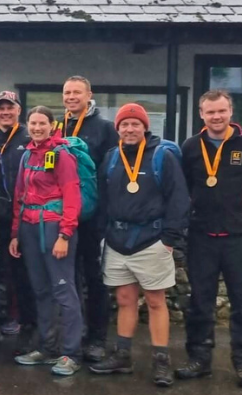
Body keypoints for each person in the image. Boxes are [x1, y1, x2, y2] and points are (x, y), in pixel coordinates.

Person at [89, 103, 188, 386]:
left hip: (152, 240)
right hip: (118, 241)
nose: (129, 129)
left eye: (135, 124)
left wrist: (169, 240)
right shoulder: (110, 158)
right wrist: (102, 235)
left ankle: (161, 361)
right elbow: (103, 200)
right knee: (124, 300)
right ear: (117, 128)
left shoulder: (162, 157)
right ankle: (122, 356)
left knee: (156, 302)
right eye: (124, 124)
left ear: (145, 127)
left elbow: (178, 199)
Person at [9, 105, 84, 376]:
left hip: (53, 228)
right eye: (33, 123)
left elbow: (72, 195)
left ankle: (71, 352)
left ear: (52, 125)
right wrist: (16, 234)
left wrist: (65, 234)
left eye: (42, 123)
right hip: (29, 228)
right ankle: (47, 347)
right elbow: (20, 194)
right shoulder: (27, 154)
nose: (37, 127)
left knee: (64, 290)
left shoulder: (60, 154)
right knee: (40, 290)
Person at [177, 90, 242, 386]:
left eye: (222, 111)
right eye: (210, 112)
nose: (216, 117)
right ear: (201, 114)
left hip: (238, 238)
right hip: (202, 236)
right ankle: (200, 359)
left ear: (231, 111)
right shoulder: (191, 147)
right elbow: (184, 189)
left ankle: (240, 362)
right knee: (200, 302)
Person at [55, 75, 118, 362]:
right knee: (68, 278)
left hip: (93, 219)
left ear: (89, 94)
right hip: (64, 217)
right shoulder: (57, 127)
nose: (71, 97)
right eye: (67, 92)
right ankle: (73, 333)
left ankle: (97, 338)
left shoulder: (105, 129)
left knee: (95, 279)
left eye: (76, 92)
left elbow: (113, 173)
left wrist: (105, 213)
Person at [0, 90, 36, 352]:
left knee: (22, 274)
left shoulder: (29, 137)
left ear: (19, 110)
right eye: (0, 108)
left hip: (22, 217)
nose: (5, 112)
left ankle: (25, 326)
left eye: (10, 107)